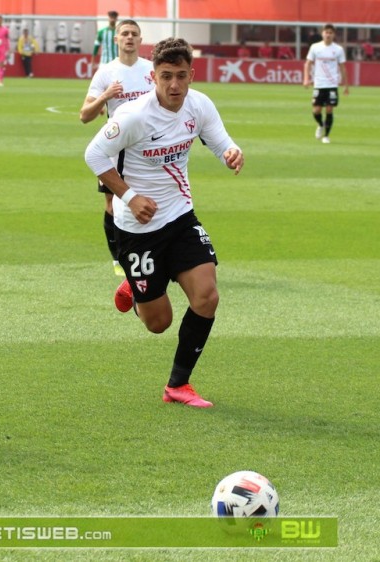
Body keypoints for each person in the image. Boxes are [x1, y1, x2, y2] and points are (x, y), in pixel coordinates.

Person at [84, 37, 244, 408]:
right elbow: (93, 154)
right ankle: (135, 289)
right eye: (166, 76)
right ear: (153, 76)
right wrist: (129, 196)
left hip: (179, 215)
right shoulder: (134, 115)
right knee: (159, 323)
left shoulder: (199, 105)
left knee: (207, 296)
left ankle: (178, 385)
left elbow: (220, 142)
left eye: (182, 76)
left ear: (192, 74)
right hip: (137, 227)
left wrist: (232, 153)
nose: (174, 85)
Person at [80, 19, 154, 277]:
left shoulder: (152, 70)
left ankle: (154, 255)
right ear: (116, 39)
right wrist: (105, 96)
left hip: (149, 147)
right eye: (125, 33)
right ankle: (118, 259)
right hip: (116, 148)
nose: (129, 38)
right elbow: (85, 115)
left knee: (153, 198)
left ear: (141, 40)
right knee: (113, 203)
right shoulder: (106, 73)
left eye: (134, 33)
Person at [303, 23, 348, 144]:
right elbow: (308, 64)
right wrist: (306, 79)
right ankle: (321, 124)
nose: (328, 34)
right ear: (322, 33)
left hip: (332, 84)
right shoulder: (315, 47)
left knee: (329, 109)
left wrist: (346, 85)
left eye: (330, 32)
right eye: (326, 32)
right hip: (319, 83)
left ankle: (326, 136)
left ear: (334, 35)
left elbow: (343, 67)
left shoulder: (338, 49)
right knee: (316, 110)